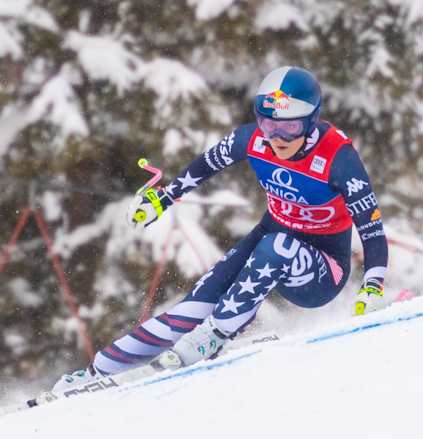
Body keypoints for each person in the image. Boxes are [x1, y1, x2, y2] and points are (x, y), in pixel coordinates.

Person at [48, 66, 388, 395]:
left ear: (312, 120)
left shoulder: (338, 157)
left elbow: (371, 229)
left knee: (277, 246)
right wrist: (164, 198)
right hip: (270, 236)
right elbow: (207, 163)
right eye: (269, 125)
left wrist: (372, 286)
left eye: (290, 128)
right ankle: (100, 370)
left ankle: (216, 332)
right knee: (196, 303)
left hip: (321, 271)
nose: (278, 138)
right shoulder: (252, 140)